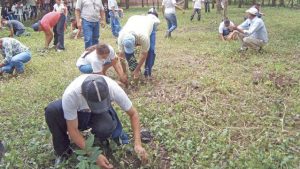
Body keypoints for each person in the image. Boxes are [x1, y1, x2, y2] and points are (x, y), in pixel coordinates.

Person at [44, 74, 148, 167]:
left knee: (105, 126)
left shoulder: (113, 88)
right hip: (78, 112)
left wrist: (138, 143)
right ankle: (63, 152)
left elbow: (133, 114)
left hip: (95, 115)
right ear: (82, 94)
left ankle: (101, 138)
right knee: (52, 111)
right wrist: (94, 154)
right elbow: (73, 130)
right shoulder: (72, 95)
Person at [118, 13, 160, 80]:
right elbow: (121, 57)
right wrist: (124, 73)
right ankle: (134, 69)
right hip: (133, 19)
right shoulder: (121, 36)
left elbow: (144, 54)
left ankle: (147, 72)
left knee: (151, 50)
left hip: (150, 22)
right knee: (128, 54)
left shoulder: (144, 37)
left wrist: (137, 70)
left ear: (136, 42)